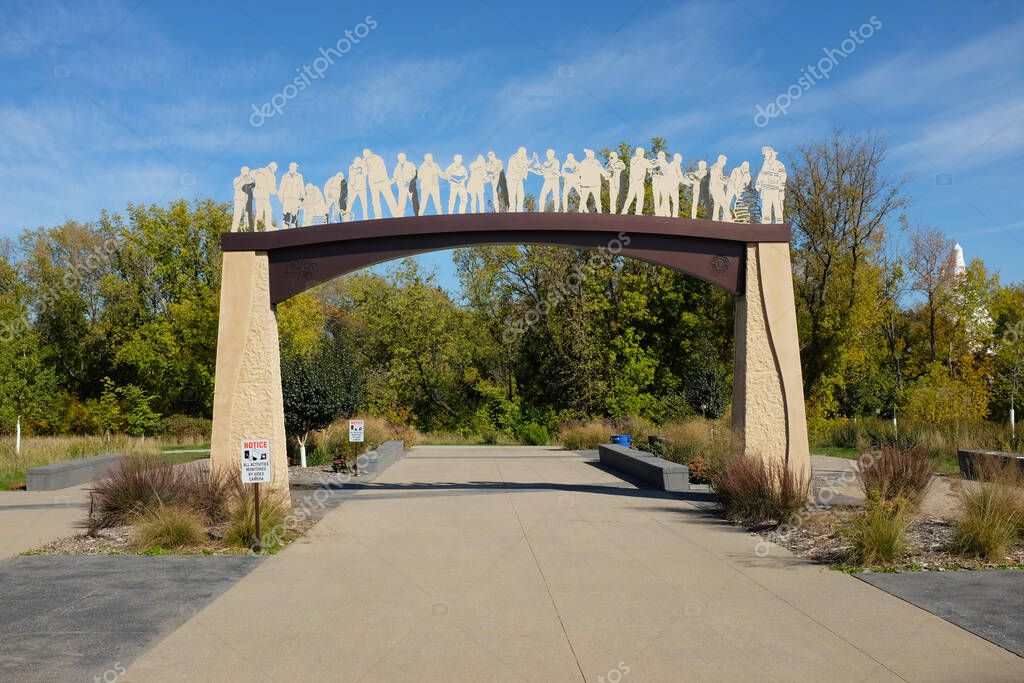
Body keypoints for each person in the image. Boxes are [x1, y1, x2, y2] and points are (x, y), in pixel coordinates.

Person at [363, 148, 398, 218]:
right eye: (364, 154)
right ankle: (380, 216)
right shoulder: (375, 158)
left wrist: (364, 163)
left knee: (387, 199)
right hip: (376, 183)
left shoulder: (373, 159)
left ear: (370, 153)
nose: (365, 155)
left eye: (366, 153)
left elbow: (380, 169)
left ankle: (395, 214)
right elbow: (365, 173)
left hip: (381, 182)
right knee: (378, 201)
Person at [756, 146, 787, 223]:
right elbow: (761, 174)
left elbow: (783, 175)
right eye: (765, 154)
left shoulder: (779, 164)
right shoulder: (765, 165)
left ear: (771, 154)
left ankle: (779, 223)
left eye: (767, 153)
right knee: (766, 207)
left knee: (778, 207)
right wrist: (758, 184)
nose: (766, 155)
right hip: (766, 190)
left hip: (776, 190)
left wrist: (781, 186)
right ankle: (766, 223)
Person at [621, 147, 656, 215]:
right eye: (642, 152)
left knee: (630, 197)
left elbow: (647, 163)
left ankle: (624, 211)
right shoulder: (641, 160)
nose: (643, 153)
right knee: (640, 197)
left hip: (633, 182)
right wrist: (658, 163)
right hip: (639, 182)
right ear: (640, 152)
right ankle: (638, 212)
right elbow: (650, 165)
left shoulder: (633, 159)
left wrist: (650, 162)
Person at [252, 161, 278, 230]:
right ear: (272, 167)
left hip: (257, 195)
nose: (275, 170)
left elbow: (251, 174)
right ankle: (268, 226)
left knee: (259, 212)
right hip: (263, 195)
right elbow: (272, 190)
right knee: (268, 210)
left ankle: (256, 228)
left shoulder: (260, 170)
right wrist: (278, 192)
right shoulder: (271, 175)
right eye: (275, 169)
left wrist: (257, 172)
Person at [279, 162, 305, 228]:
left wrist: (302, 198)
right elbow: (281, 188)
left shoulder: (299, 176)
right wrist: (281, 199)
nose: (296, 169)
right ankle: (284, 231)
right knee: (286, 218)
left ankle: (293, 232)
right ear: (291, 168)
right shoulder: (285, 176)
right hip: (287, 199)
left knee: (294, 219)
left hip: (296, 199)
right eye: (295, 167)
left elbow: (302, 187)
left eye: (296, 168)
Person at [506, 147, 530, 212]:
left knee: (521, 196)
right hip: (512, 180)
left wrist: (527, 166)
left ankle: (520, 212)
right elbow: (516, 168)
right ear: (520, 152)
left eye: (525, 154)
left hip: (519, 180)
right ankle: (511, 212)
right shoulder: (513, 158)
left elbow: (527, 164)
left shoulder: (523, 158)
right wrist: (525, 167)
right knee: (512, 197)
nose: (524, 155)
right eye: (523, 153)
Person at [231, 166, 255, 232]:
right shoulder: (237, 179)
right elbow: (236, 186)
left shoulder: (249, 179)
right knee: (237, 216)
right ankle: (233, 231)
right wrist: (243, 179)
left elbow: (252, 187)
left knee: (247, 216)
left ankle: (247, 230)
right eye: (245, 171)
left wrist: (251, 182)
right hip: (239, 200)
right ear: (242, 171)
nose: (247, 172)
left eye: (247, 171)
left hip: (247, 200)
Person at [709, 154, 731, 222]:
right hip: (717, 188)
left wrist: (724, 179)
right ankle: (728, 218)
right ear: (721, 160)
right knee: (724, 203)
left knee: (717, 204)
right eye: (724, 161)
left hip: (716, 188)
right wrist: (724, 182)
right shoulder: (717, 167)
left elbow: (717, 178)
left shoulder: (717, 168)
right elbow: (715, 179)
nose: (725, 163)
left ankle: (715, 218)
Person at [347, 156, 369, 221]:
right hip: (353, 189)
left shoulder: (364, 166)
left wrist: (363, 165)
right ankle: (346, 217)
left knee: (364, 204)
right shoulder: (351, 167)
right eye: (356, 161)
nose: (357, 162)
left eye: (358, 161)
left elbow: (365, 173)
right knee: (349, 204)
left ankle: (365, 217)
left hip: (362, 189)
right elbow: (351, 175)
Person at [652, 151, 672, 216]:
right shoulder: (655, 162)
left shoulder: (666, 164)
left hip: (663, 182)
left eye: (662, 155)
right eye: (659, 155)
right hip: (656, 182)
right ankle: (657, 212)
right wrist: (653, 170)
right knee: (656, 198)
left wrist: (662, 171)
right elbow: (650, 170)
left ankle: (667, 211)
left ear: (664, 156)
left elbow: (668, 173)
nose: (660, 156)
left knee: (665, 197)